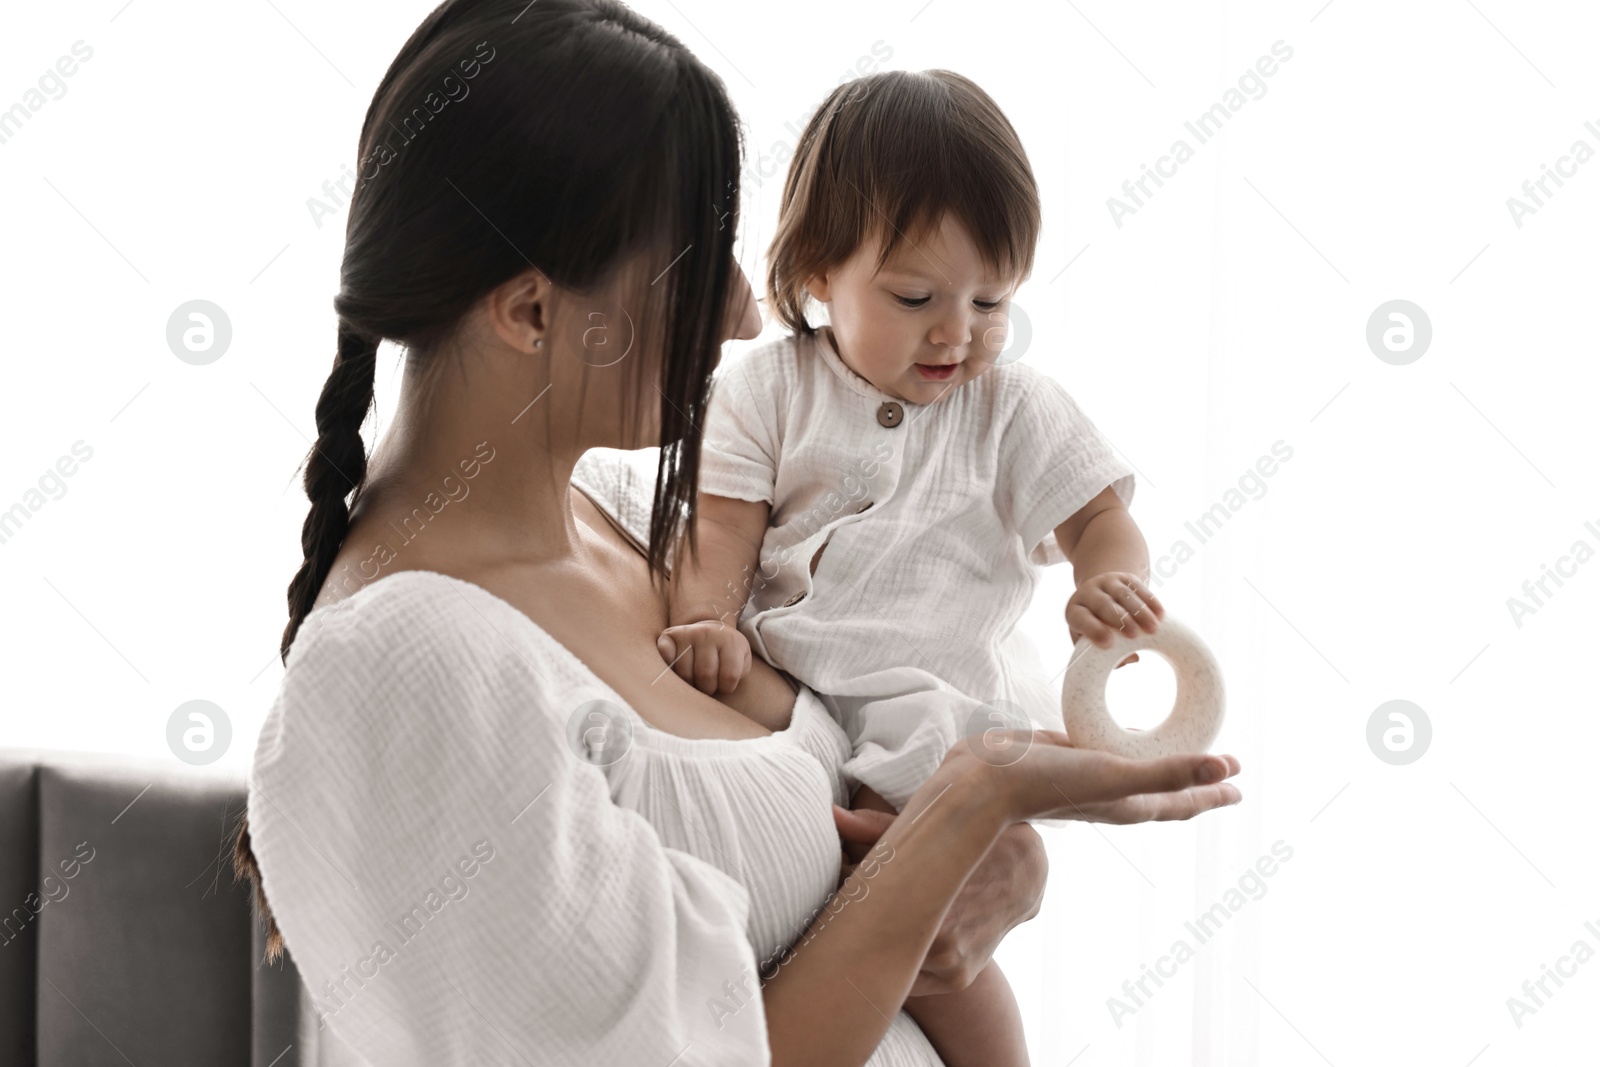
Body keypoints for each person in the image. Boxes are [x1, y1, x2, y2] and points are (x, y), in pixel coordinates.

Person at [231, 2, 1244, 1064]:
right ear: (531, 313)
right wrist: (974, 798)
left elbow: (847, 796)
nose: (748, 317)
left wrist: (995, 860)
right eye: (695, 262)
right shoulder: (406, 668)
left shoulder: (637, 533)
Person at [654, 69, 1165, 1066]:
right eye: (915, 296)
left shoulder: (1012, 408)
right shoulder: (770, 390)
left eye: (991, 298)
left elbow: (1100, 514)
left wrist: (1108, 579)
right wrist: (710, 619)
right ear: (814, 274)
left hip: (933, 729)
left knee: (938, 954)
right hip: (794, 713)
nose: (957, 330)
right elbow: (719, 533)